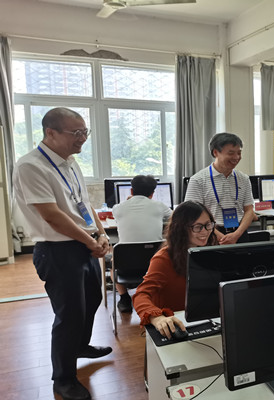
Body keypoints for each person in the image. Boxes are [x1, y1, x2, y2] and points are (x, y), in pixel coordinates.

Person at [13, 107, 111, 400]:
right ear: (50, 133)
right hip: (58, 250)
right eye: (76, 133)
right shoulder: (30, 166)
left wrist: (101, 234)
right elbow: (52, 215)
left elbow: (84, 203)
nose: (83, 138)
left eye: (85, 132)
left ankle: (80, 346)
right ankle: (63, 379)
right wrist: (90, 241)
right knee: (69, 315)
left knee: (92, 299)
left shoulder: (70, 162)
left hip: (83, 244)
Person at [132, 201, 218, 338]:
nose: (205, 231)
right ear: (181, 228)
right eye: (197, 227)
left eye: (208, 225)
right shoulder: (164, 258)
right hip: (177, 326)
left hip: (208, 320)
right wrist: (157, 318)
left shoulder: (210, 251)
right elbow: (141, 295)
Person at [111, 174, 172, 313]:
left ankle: (124, 299)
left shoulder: (118, 208)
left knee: (114, 260)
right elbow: (175, 216)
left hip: (125, 268)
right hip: (155, 265)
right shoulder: (159, 206)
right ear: (152, 193)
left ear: (131, 191)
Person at [184, 132, 255, 244]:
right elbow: (192, 215)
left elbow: (249, 210)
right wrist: (221, 237)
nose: (236, 157)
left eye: (239, 153)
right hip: (209, 235)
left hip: (239, 234)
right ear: (215, 152)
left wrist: (236, 235)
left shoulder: (243, 178)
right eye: (231, 153)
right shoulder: (198, 180)